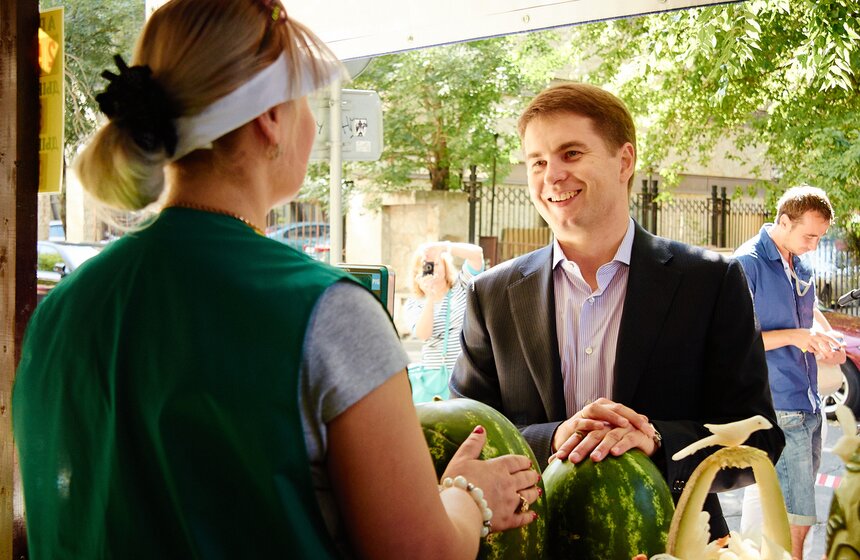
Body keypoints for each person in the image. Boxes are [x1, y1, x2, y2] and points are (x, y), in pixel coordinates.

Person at [12, 1, 540, 558]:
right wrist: (467, 497)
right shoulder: (329, 313)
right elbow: (418, 551)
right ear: (270, 117)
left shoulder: (59, 312)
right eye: (306, 98)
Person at [449, 82, 785, 538]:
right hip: (530, 542)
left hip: (676, 541)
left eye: (571, 153)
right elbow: (464, 438)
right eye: (538, 162)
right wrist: (554, 439)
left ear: (624, 160)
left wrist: (658, 442)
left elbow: (760, 440)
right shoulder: (491, 295)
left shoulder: (710, 281)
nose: (551, 176)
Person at [734, 185, 845, 559]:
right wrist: (798, 337)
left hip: (810, 400)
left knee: (769, 500)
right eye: (809, 235)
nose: (814, 245)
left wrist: (825, 336)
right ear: (783, 221)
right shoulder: (746, 263)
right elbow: (737, 341)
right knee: (797, 513)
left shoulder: (801, 260)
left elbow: (809, 309)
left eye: (820, 237)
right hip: (778, 403)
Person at [403, 241, 484, 402]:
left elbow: (477, 255)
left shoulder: (461, 286)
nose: (433, 269)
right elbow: (423, 334)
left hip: (464, 372)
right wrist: (430, 297)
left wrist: (443, 247)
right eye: (427, 266)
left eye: (437, 263)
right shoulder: (414, 302)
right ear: (417, 272)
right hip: (432, 378)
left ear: (445, 265)